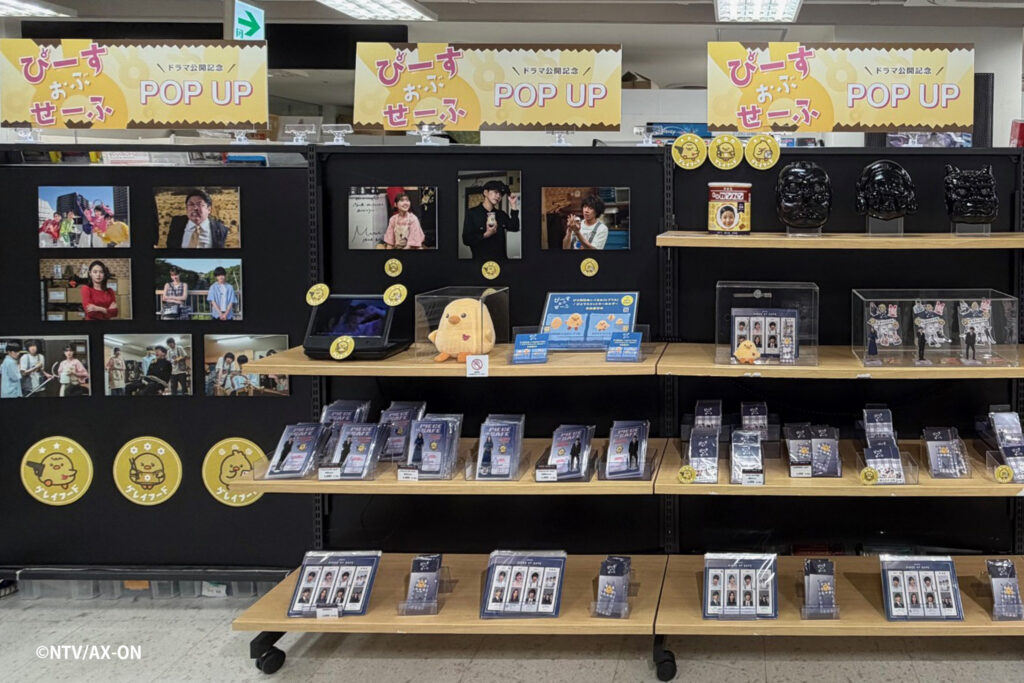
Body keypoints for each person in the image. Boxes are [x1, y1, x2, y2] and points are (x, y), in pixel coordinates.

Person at [462, 180, 520, 260]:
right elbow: (466, 240)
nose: (498, 196)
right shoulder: (472, 213)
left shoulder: (501, 214)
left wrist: (513, 205)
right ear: (485, 192)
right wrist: (486, 235)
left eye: (501, 194)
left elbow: (515, 227)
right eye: (496, 192)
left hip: (501, 260)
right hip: (480, 261)